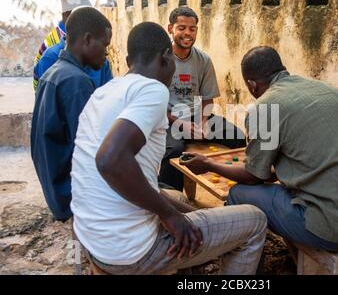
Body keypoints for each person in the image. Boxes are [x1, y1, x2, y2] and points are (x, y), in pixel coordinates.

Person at [70, 22, 267, 275]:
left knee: (181, 199)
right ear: (166, 57)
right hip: (131, 252)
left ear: (130, 60)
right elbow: (109, 159)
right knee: (256, 221)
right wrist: (170, 217)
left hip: (93, 240)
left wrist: (188, 214)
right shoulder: (153, 89)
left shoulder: (104, 92)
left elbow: (124, 172)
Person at [181, 46, 338, 252]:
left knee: (238, 193)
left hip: (337, 229)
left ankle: (245, 266)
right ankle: (290, 257)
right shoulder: (323, 88)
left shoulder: (266, 107)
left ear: (251, 85)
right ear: (282, 69)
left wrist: (208, 163)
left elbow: (253, 177)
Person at [31, 7, 112, 221]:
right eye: (104, 45)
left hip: (53, 187)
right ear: (87, 39)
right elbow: (92, 151)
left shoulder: (53, 72)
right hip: (71, 194)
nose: (106, 53)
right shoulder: (77, 82)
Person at [159, 6, 246, 191]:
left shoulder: (203, 60)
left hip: (196, 118)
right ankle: (171, 197)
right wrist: (180, 123)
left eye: (192, 29)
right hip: (167, 120)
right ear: (170, 29)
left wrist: (203, 122)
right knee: (173, 151)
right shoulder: (161, 59)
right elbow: (155, 105)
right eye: (181, 28)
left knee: (238, 137)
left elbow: (207, 99)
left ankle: (236, 192)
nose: (187, 33)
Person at [33, 0, 113, 90]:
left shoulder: (100, 60)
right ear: (67, 16)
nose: (106, 52)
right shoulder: (51, 55)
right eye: (83, 16)